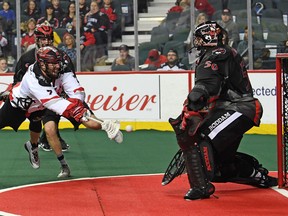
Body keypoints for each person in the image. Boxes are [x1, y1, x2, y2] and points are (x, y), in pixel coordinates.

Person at [168, 21, 277, 200]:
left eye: (198, 38)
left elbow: (207, 86)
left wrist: (192, 104)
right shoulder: (221, 52)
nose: (195, 43)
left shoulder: (216, 55)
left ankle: (201, 187)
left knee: (199, 137)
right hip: (235, 108)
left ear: (207, 37)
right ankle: (258, 176)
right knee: (221, 166)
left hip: (240, 108)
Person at [0, 46, 123, 178]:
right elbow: (55, 103)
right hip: (19, 106)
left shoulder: (61, 67)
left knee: (40, 123)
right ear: (42, 64)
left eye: (58, 63)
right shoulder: (34, 79)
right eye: (53, 64)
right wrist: (76, 111)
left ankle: (33, 146)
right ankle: (34, 145)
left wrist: (78, 106)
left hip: (42, 105)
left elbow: (77, 91)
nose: (57, 67)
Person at [14, 23, 70, 152]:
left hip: (52, 93)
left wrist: (65, 91)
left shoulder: (60, 56)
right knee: (36, 119)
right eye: (43, 39)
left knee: (53, 117)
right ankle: (38, 141)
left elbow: (66, 75)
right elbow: (17, 79)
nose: (46, 42)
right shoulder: (26, 58)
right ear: (37, 40)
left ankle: (50, 138)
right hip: (33, 97)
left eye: (49, 39)